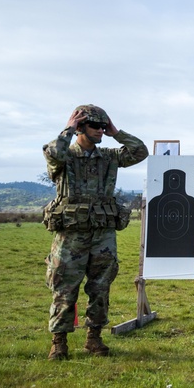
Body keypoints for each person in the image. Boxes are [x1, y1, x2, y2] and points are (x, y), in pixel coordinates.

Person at [42, 104, 149, 360]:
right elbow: (53, 153)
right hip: (71, 235)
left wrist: (116, 132)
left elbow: (140, 152)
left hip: (102, 235)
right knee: (64, 288)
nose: (101, 130)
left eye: (103, 126)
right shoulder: (65, 156)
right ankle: (59, 342)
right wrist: (68, 128)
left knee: (101, 288)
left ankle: (94, 338)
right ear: (80, 127)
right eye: (95, 126)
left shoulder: (109, 157)